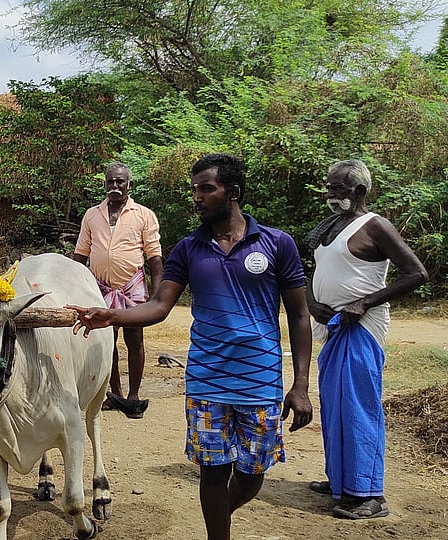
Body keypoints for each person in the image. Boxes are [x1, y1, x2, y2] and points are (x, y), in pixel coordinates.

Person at [67, 153, 313, 540]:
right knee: (212, 471)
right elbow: (159, 306)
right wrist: (109, 316)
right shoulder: (189, 249)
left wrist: (300, 385)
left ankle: (220, 514)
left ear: (232, 193)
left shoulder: (276, 244)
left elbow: (299, 316)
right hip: (206, 380)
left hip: (260, 380)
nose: (196, 197)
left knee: (252, 474)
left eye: (206, 189)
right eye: (194, 189)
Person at [303, 159, 428, 520]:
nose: (330, 193)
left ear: (359, 190)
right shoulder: (331, 226)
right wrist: (312, 303)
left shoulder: (376, 226)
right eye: (328, 186)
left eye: (337, 187)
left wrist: (366, 302)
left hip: (361, 327)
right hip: (332, 326)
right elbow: (316, 271)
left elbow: (417, 273)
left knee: (358, 406)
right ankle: (341, 480)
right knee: (335, 405)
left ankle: (368, 493)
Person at [70, 162, 163, 418]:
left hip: (132, 287)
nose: (115, 186)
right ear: (105, 184)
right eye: (110, 182)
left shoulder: (144, 215)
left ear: (129, 185)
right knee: (105, 341)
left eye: (120, 182)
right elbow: (81, 253)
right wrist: (70, 282)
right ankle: (114, 393)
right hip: (98, 287)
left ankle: (133, 396)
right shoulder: (92, 215)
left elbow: (155, 259)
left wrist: (157, 295)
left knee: (135, 340)